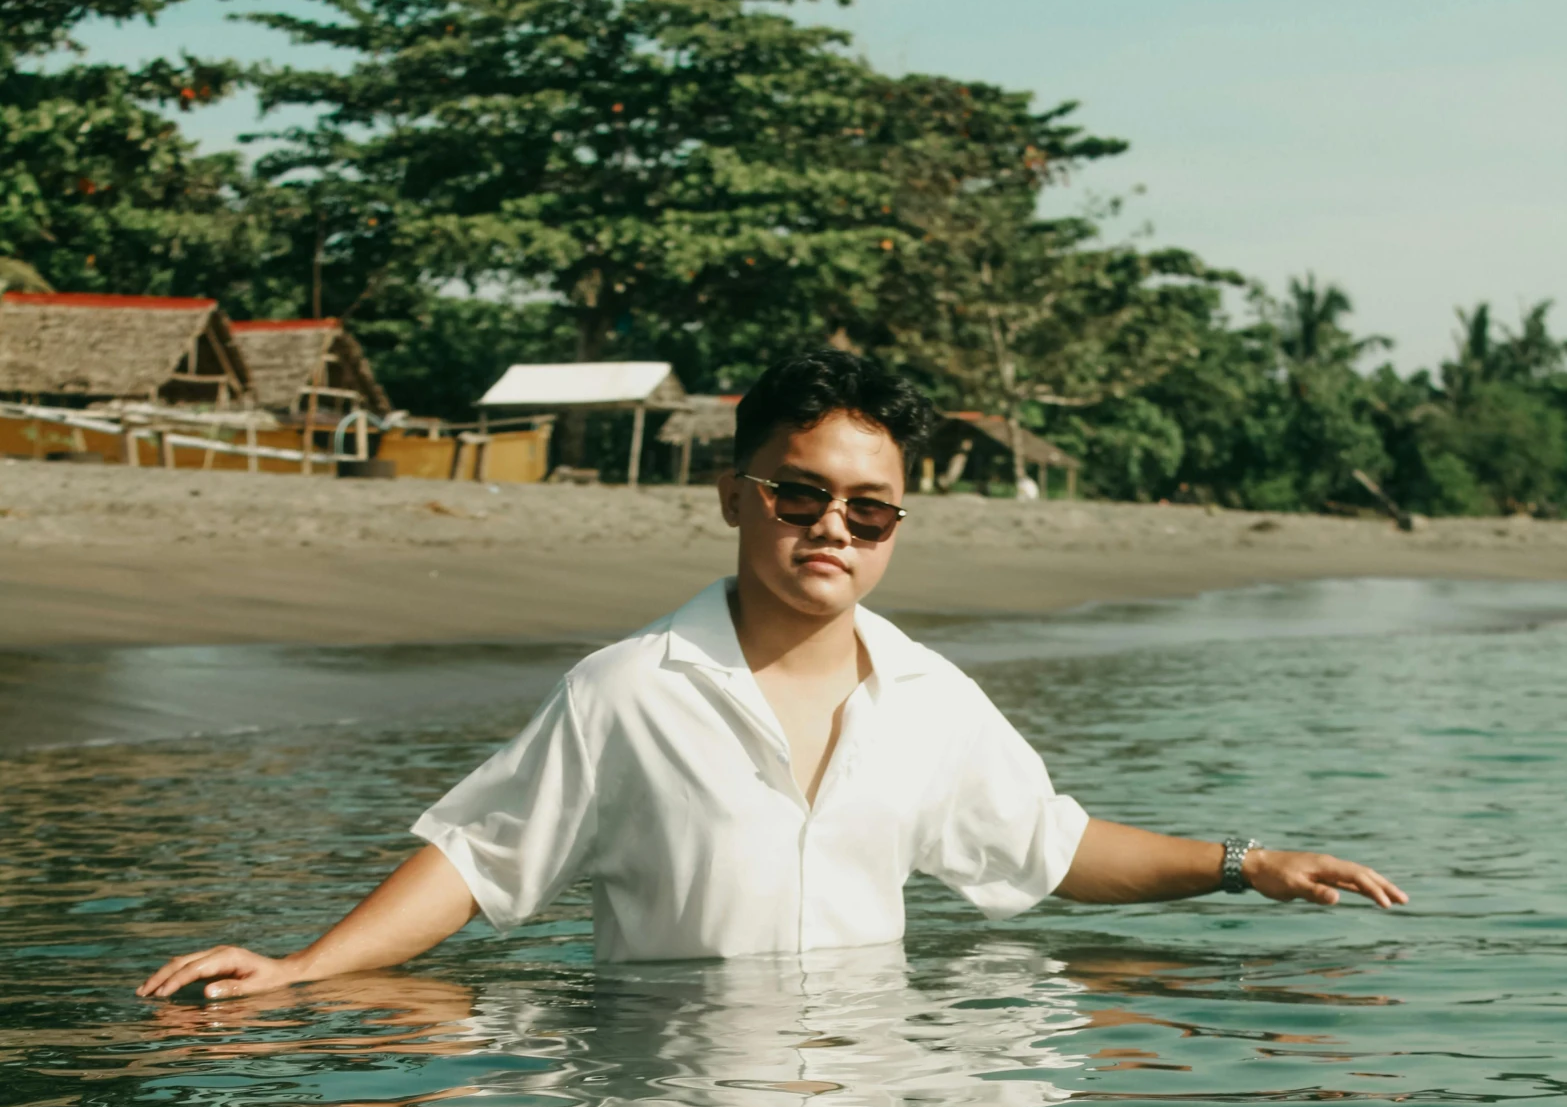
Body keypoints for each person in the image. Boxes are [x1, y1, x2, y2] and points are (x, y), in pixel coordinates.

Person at [136, 349, 1405, 1004]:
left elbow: (1053, 848)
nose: (832, 529)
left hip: (875, 1088)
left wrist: (1248, 865)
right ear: (736, 496)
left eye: (870, 509)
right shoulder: (629, 688)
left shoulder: (930, 699)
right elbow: (479, 860)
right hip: (666, 1088)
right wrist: (305, 970)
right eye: (800, 495)